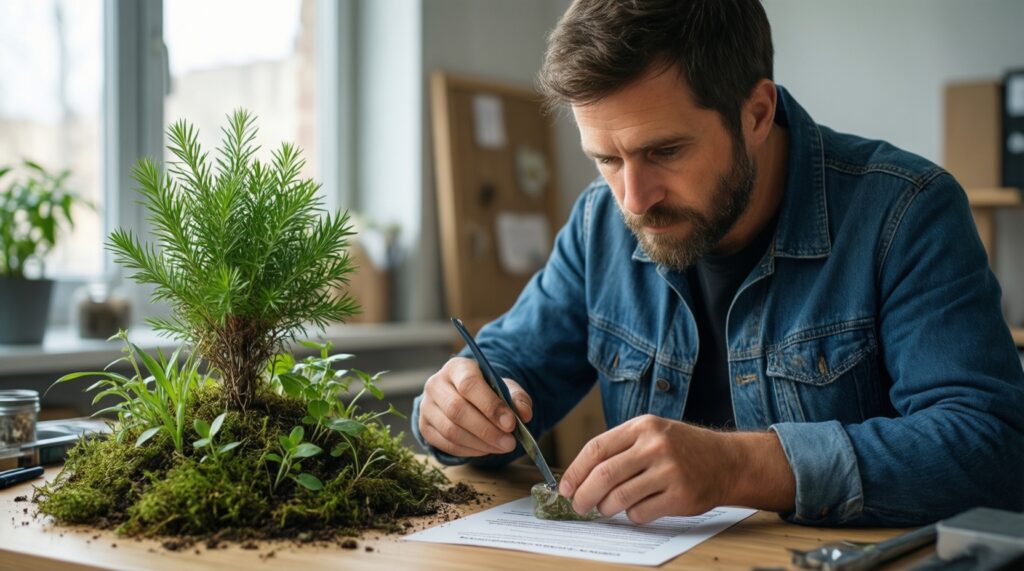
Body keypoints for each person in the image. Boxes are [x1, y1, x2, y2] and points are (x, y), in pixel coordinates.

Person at [412, 0, 1024, 526]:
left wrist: (742, 466)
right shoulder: (600, 223)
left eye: (665, 151)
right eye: (605, 158)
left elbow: (991, 447)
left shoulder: (905, 211)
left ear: (756, 113)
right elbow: (504, 371)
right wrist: (452, 411)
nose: (633, 198)